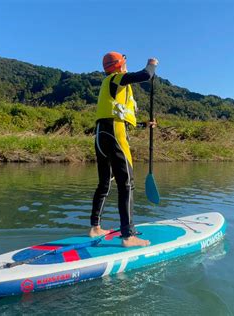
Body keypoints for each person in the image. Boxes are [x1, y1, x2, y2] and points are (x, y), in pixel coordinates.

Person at [89, 52, 158, 247]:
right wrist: (151, 64)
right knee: (127, 184)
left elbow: (122, 115)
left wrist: (145, 125)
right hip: (114, 133)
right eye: (125, 62)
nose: (126, 65)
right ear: (119, 65)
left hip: (101, 134)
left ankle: (95, 227)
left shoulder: (111, 86)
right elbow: (146, 75)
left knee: (104, 183)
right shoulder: (116, 78)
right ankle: (129, 236)